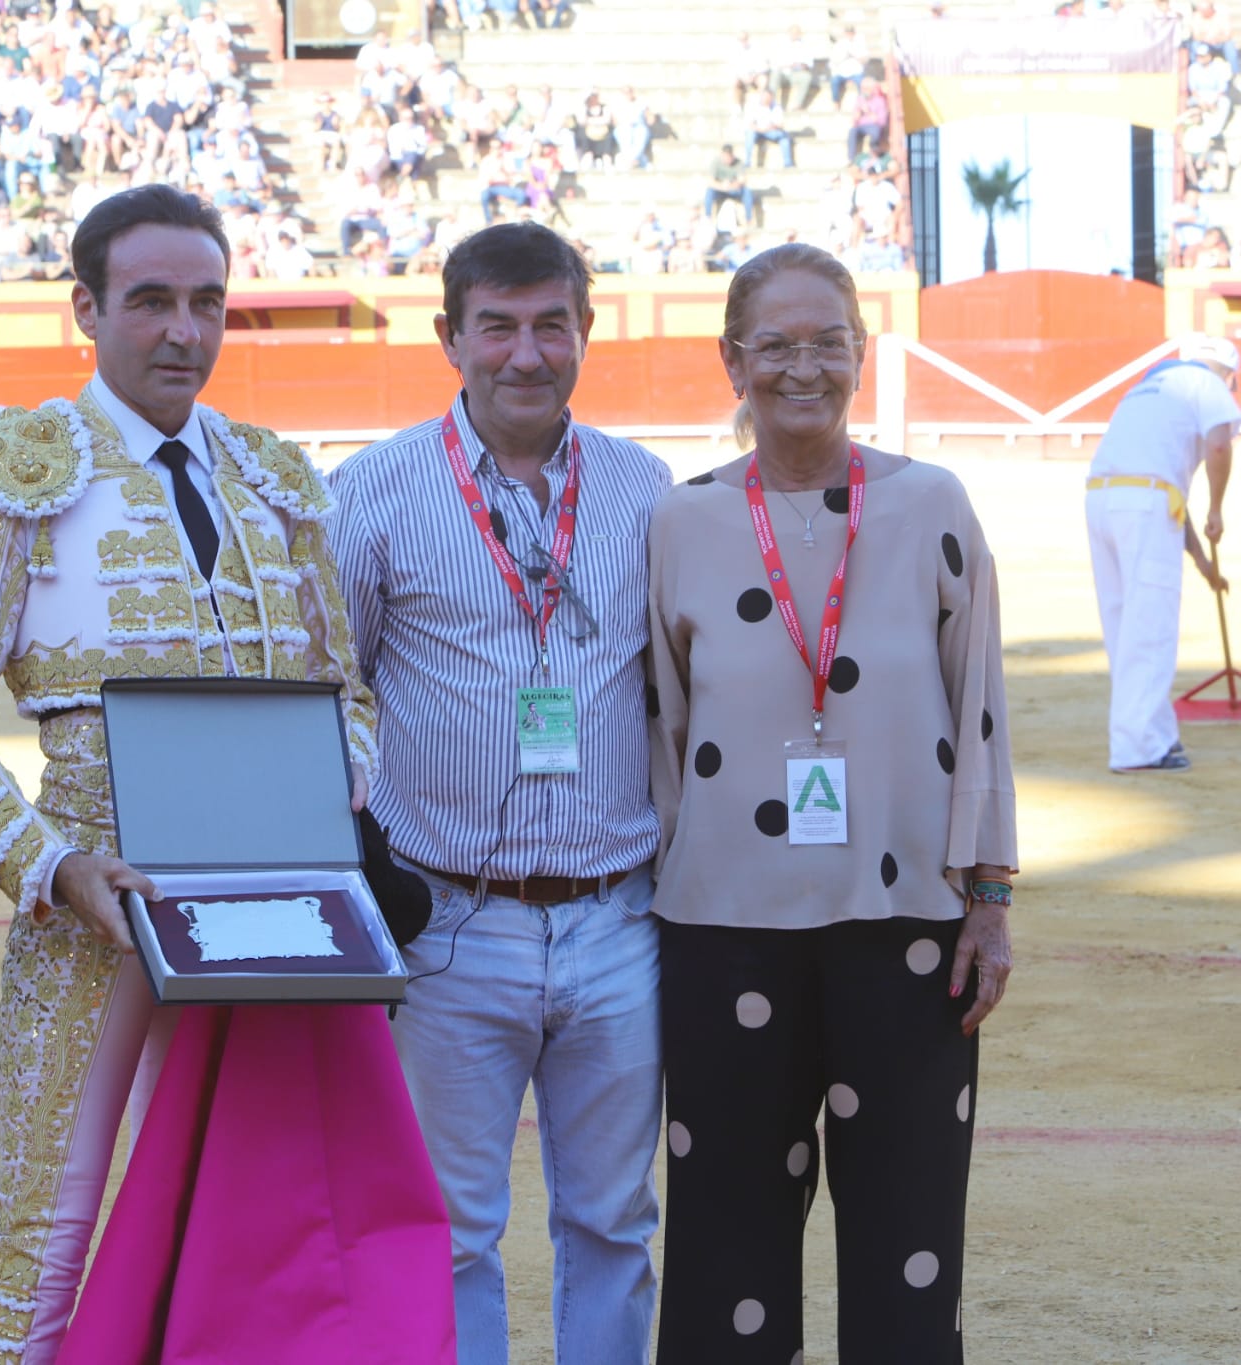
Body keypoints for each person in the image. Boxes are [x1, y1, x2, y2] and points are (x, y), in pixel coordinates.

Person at [0, 184, 453, 1365]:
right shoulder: (12, 473)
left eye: (205, 303)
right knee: (39, 1243)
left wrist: (323, 793)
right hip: (91, 912)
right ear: (86, 310)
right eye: (150, 301)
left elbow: (346, 696)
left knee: (239, 1234)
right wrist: (54, 870)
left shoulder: (274, 480)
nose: (182, 332)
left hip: (273, 914)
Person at [645, 243, 1017, 1363]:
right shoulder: (682, 520)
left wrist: (989, 897)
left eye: (827, 343)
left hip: (907, 924)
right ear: (731, 359)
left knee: (907, 1232)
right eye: (775, 345)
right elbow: (662, 727)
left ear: (859, 353)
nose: (800, 368)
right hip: (721, 929)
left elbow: (980, 704)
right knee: (723, 1233)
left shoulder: (930, 503)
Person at [328, 221, 671, 1362]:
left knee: (614, 1220)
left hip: (616, 916)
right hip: (448, 923)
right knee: (453, 1225)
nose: (525, 354)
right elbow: (333, 694)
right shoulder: (370, 493)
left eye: (549, 326)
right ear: (449, 338)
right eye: (498, 328)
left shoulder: (643, 488)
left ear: (584, 332)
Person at [1086, 332, 1235, 770]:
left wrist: (1204, 563)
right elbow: (1221, 444)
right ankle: (1140, 748)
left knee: (1124, 626)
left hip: (1101, 500)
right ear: (1228, 375)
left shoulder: (1144, 389)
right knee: (1149, 626)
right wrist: (1217, 508)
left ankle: (1152, 734)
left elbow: (1160, 489)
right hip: (1147, 507)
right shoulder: (1209, 384)